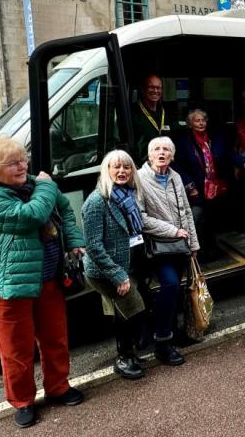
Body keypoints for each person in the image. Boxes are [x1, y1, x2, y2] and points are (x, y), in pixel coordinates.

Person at [0, 135, 86, 428]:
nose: (23, 166)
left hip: (47, 279)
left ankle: (58, 387)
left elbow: (64, 209)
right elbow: (30, 217)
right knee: (16, 352)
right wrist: (47, 185)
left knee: (55, 340)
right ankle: (22, 401)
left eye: (24, 159)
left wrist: (73, 240)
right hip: (6, 288)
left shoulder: (32, 185)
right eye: (14, 163)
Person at [82, 150, 148, 380]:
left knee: (124, 310)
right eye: (116, 167)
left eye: (126, 167)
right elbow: (93, 246)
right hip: (106, 270)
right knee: (130, 309)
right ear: (106, 170)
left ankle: (129, 353)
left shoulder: (128, 195)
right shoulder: (97, 202)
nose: (122, 171)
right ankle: (123, 358)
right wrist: (118, 275)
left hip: (127, 263)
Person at [137, 136, 199, 366]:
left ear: (172, 155)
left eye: (166, 149)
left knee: (175, 289)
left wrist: (193, 244)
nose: (161, 153)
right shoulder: (140, 179)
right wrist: (173, 231)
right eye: (156, 149)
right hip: (157, 246)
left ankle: (170, 334)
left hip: (179, 246)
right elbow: (141, 218)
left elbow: (186, 213)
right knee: (170, 284)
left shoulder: (175, 177)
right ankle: (161, 343)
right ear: (149, 154)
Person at [174, 109, 242, 259]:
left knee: (212, 221)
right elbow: (178, 167)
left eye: (203, 120)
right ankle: (195, 254)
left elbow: (228, 154)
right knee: (197, 221)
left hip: (215, 188)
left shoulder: (214, 138)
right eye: (197, 120)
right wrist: (189, 186)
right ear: (190, 123)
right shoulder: (184, 142)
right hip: (196, 190)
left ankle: (211, 251)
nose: (201, 123)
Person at [131, 74, 171, 162]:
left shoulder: (164, 111)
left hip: (163, 165)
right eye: (151, 87)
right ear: (143, 89)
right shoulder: (132, 112)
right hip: (143, 167)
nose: (156, 91)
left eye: (159, 88)